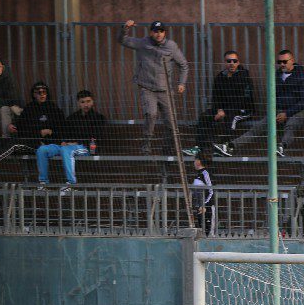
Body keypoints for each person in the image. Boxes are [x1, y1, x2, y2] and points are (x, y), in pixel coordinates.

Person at [118, 19, 189, 154]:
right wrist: (125, 28)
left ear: (164, 33)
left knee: (170, 122)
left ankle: (168, 148)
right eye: (156, 31)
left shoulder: (171, 46)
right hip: (147, 87)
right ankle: (146, 144)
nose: (159, 34)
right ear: (151, 32)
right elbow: (122, 40)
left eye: (161, 31)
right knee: (151, 114)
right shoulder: (142, 43)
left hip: (165, 90)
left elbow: (184, 65)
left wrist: (182, 83)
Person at [227, 49, 304, 158]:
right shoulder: (276, 76)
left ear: (292, 60)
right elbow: (273, 97)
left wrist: (287, 113)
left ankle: (282, 147)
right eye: (279, 62)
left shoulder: (302, 76)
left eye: (284, 62)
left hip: (298, 111)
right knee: (258, 127)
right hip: (279, 111)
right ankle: (231, 145)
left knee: (291, 124)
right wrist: (275, 111)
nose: (282, 64)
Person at [187, 50, 256, 157]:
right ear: (225, 63)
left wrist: (225, 111)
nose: (232, 63)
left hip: (243, 109)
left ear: (238, 62)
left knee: (231, 117)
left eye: (234, 61)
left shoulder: (244, 77)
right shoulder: (220, 77)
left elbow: (242, 99)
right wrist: (219, 109)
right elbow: (216, 96)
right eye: (229, 61)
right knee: (204, 116)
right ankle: (199, 147)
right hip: (223, 109)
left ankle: (226, 147)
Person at [37, 89, 106, 192]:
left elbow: (96, 137)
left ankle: (71, 184)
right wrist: (63, 141)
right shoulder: (72, 117)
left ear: (93, 102)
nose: (86, 104)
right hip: (67, 145)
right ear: (78, 103)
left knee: (67, 150)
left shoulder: (99, 118)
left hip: (85, 147)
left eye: (88, 101)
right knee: (42, 149)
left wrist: (76, 142)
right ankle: (43, 183)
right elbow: (63, 132)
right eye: (82, 102)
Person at [192, 154, 216, 236]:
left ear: (198, 161)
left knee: (208, 232)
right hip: (199, 208)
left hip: (206, 208)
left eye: (194, 160)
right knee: (201, 232)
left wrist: (205, 205)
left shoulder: (205, 173)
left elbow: (211, 191)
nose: (193, 162)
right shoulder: (198, 175)